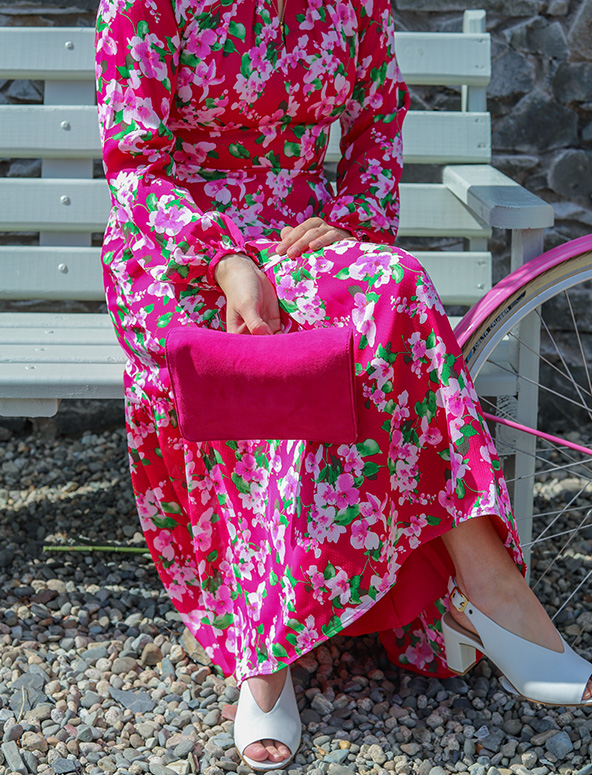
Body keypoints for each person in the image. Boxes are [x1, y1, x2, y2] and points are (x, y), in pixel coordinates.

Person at [95, 0, 592, 770]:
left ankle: (490, 585)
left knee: (390, 285)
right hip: (181, 244)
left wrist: (354, 223)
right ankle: (263, 655)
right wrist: (229, 261)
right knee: (250, 339)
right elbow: (136, 166)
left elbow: (374, 129)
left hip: (302, 230)